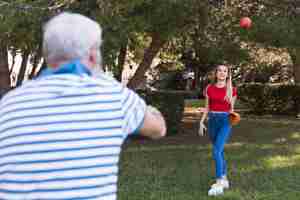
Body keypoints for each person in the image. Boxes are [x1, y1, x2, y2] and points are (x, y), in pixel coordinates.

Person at [0, 12, 166, 200]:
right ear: (93, 55)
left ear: (47, 55)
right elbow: (158, 129)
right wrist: (147, 109)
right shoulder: (113, 96)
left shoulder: (8, 104)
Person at [198, 64, 237, 196]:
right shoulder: (209, 88)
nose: (222, 73)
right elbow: (207, 107)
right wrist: (201, 121)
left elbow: (232, 110)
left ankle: (219, 183)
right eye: (219, 70)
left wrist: (233, 119)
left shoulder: (232, 90)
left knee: (216, 151)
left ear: (227, 74)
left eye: (224, 71)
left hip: (226, 121)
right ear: (216, 73)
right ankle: (225, 178)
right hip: (212, 120)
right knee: (219, 151)